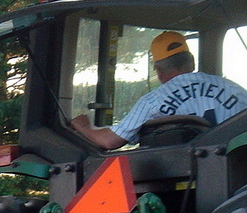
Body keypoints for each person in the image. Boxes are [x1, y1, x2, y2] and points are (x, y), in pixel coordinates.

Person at [70, 30, 247, 150]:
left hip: (181, 183)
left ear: (158, 70)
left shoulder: (153, 101)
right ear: (191, 61)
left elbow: (109, 140)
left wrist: (85, 128)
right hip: (236, 177)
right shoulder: (235, 91)